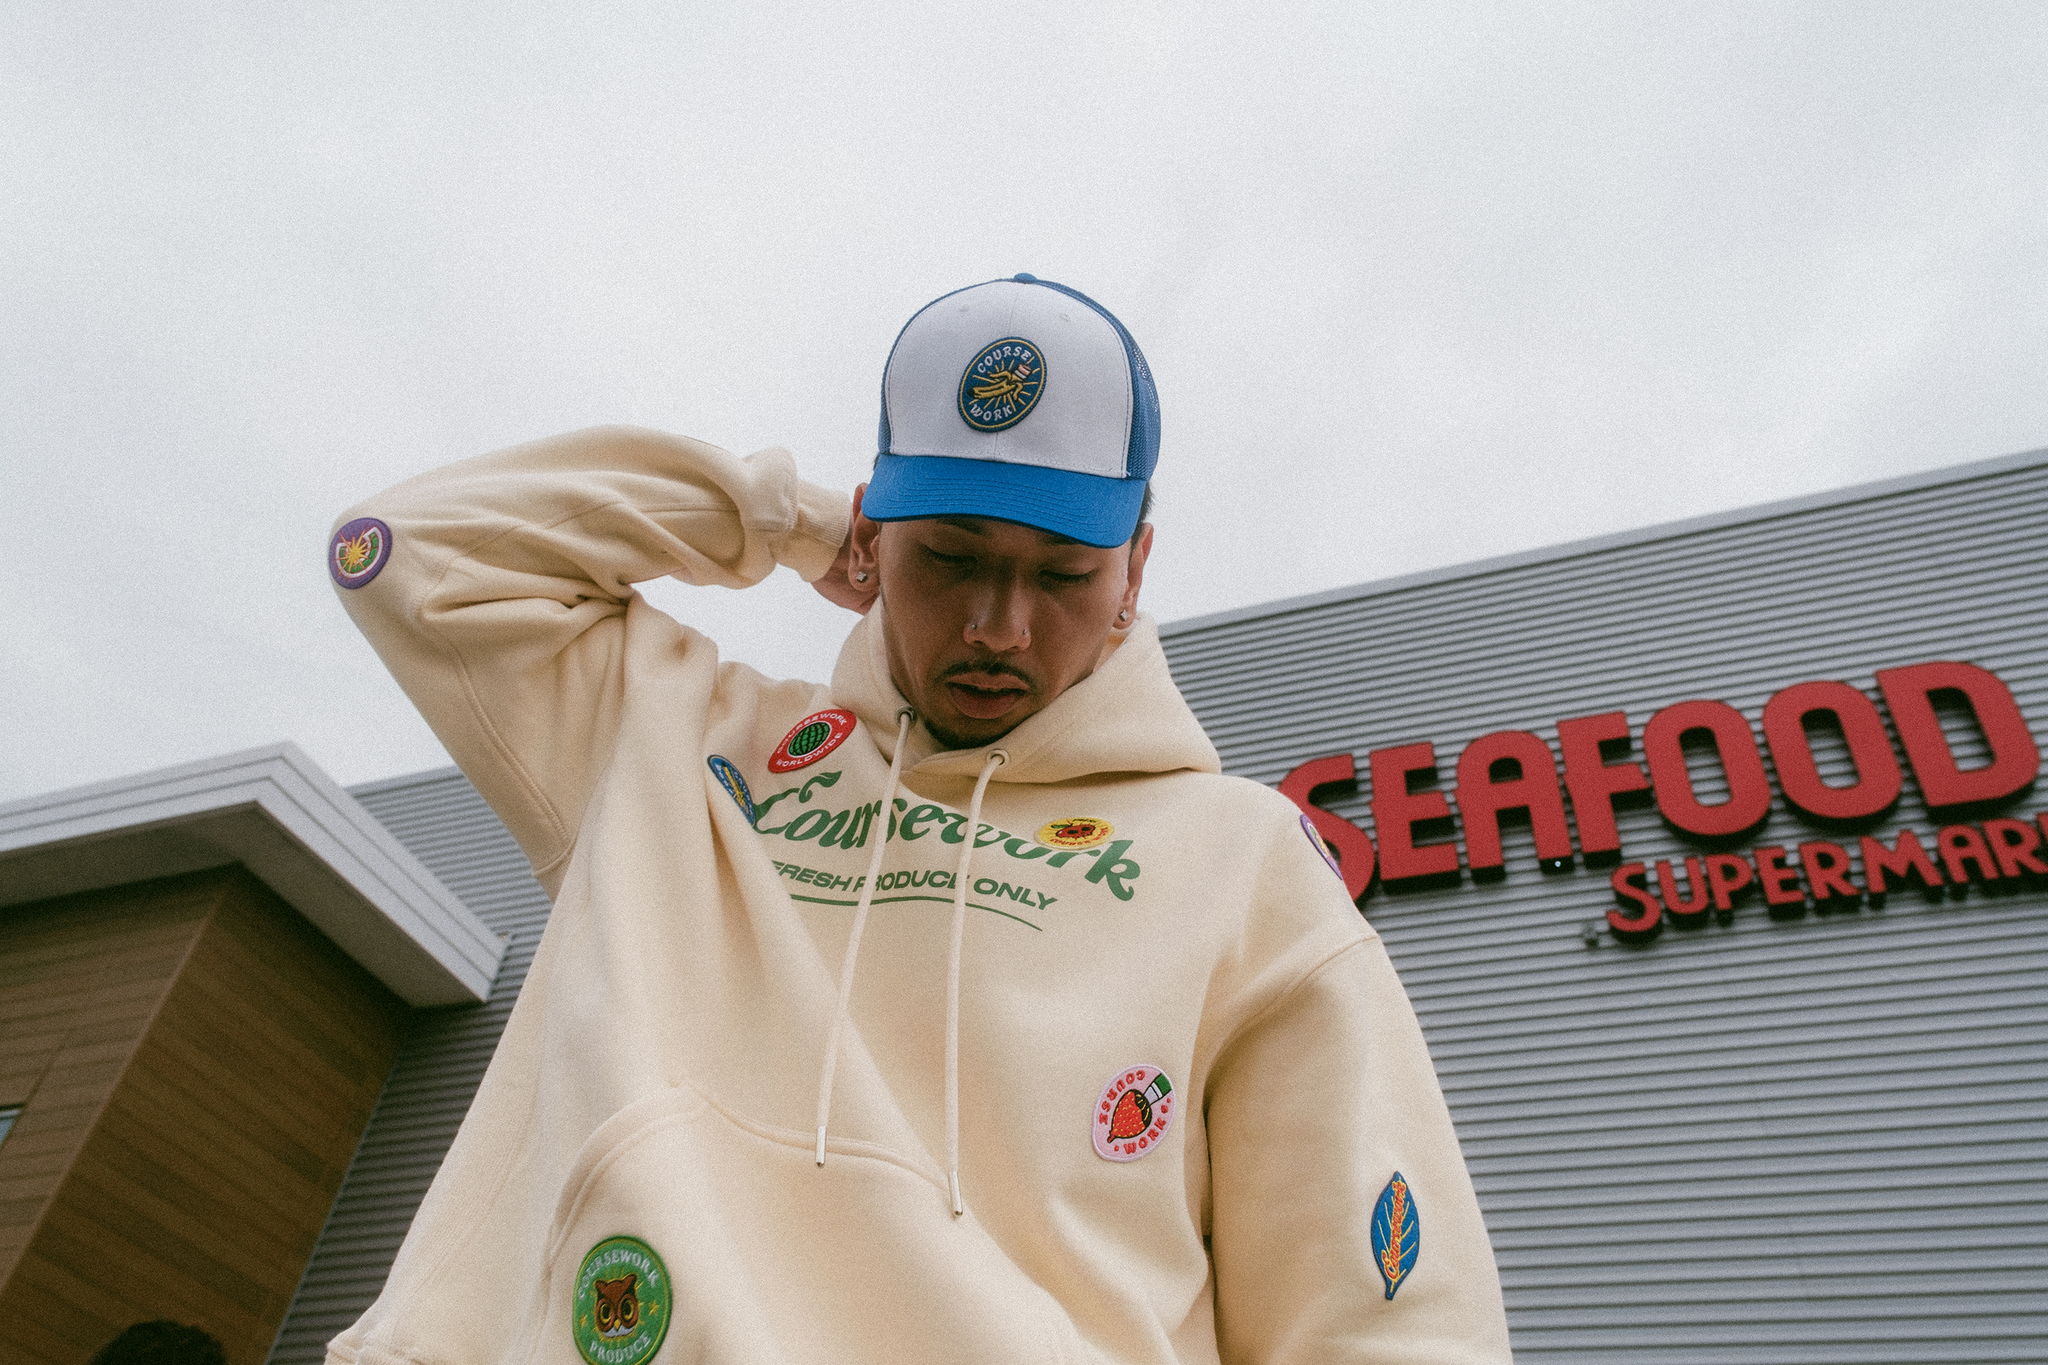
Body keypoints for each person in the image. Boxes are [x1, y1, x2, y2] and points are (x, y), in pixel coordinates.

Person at [327, 274, 1512, 1364]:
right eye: (948, 556)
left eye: (1061, 573)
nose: (999, 624)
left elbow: (1385, 1326)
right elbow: (401, 555)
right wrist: (784, 517)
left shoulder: (1242, 860)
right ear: (875, 539)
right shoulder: (682, 750)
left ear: (1134, 569)